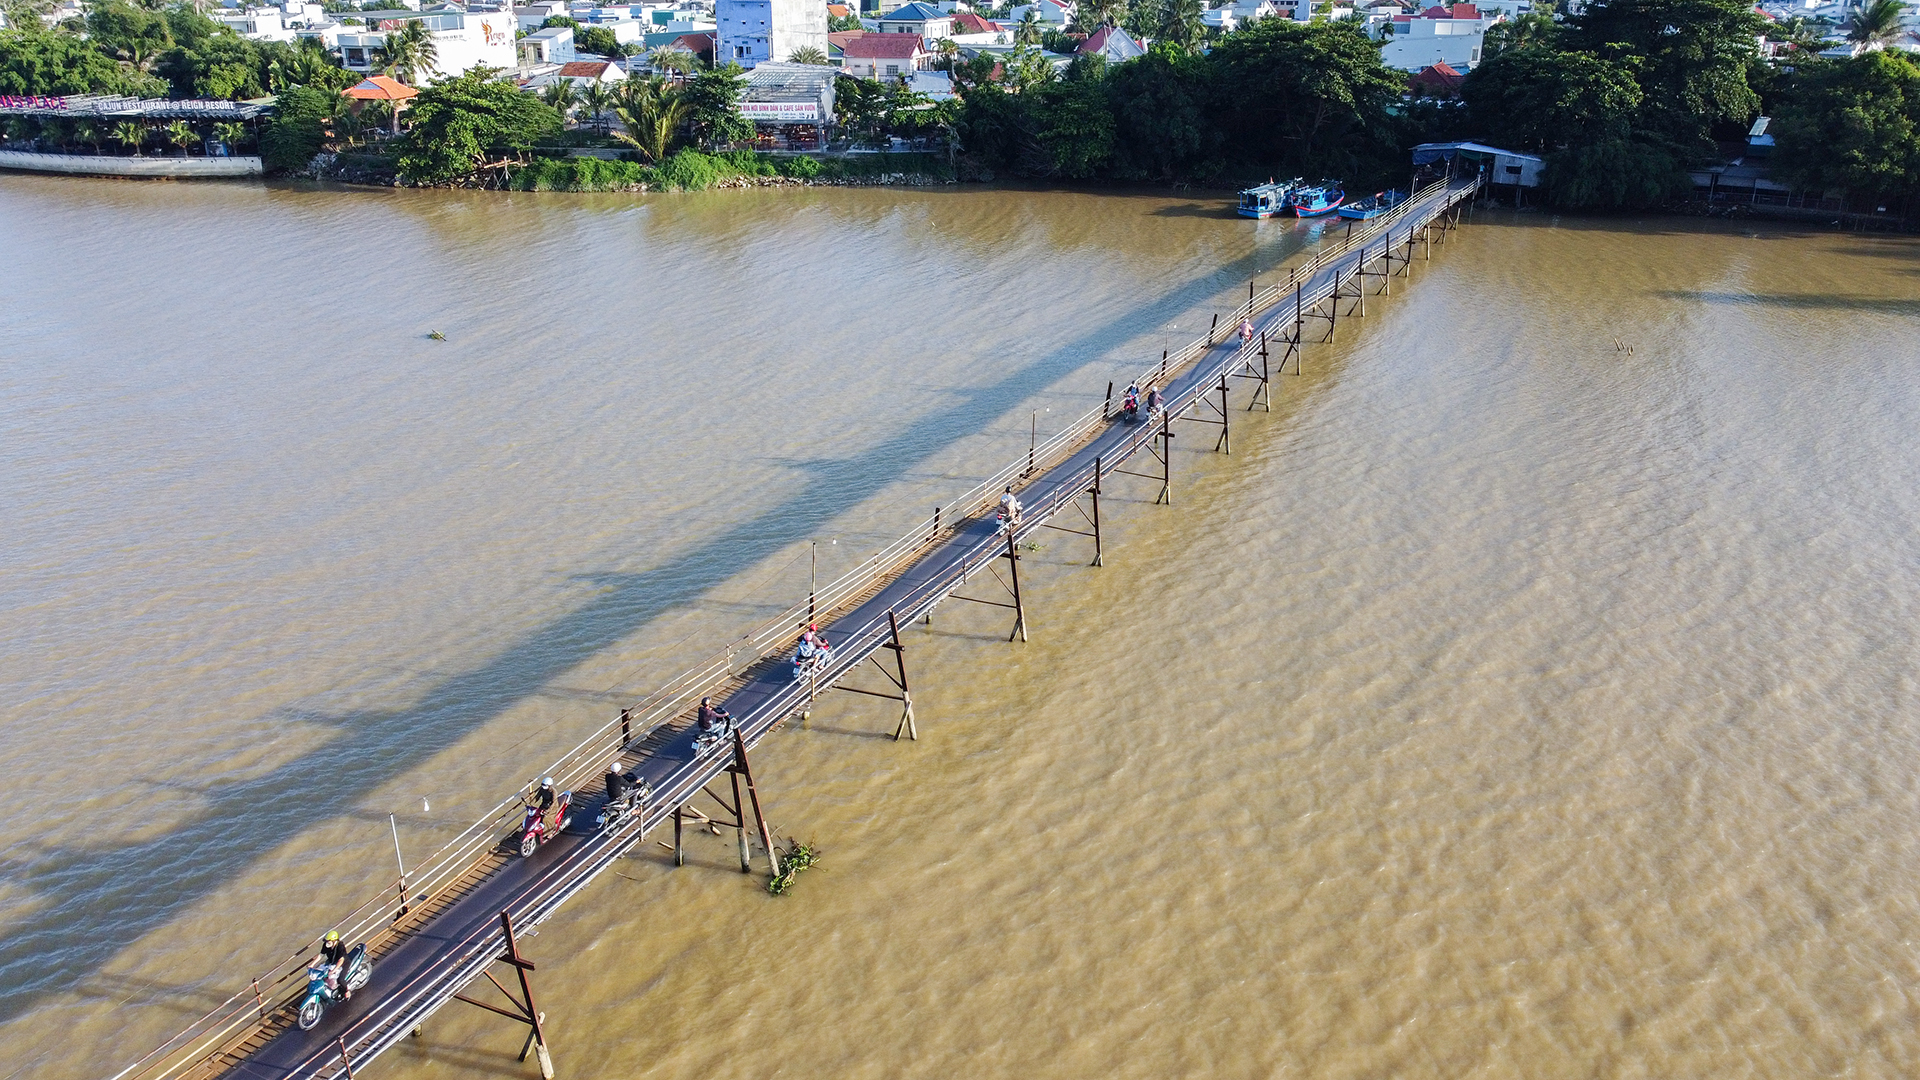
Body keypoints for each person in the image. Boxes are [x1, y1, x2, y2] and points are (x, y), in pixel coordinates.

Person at [318, 930, 349, 995]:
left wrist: (333, 970)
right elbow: (321, 955)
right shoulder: (327, 945)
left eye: (328, 941)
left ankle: (347, 991)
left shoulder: (340, 946)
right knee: (323, 975)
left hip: (343, 964)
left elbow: (341, 960)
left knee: (340, 980)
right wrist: (312, 965)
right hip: (332, 963)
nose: (327, 943)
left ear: (334, 941)